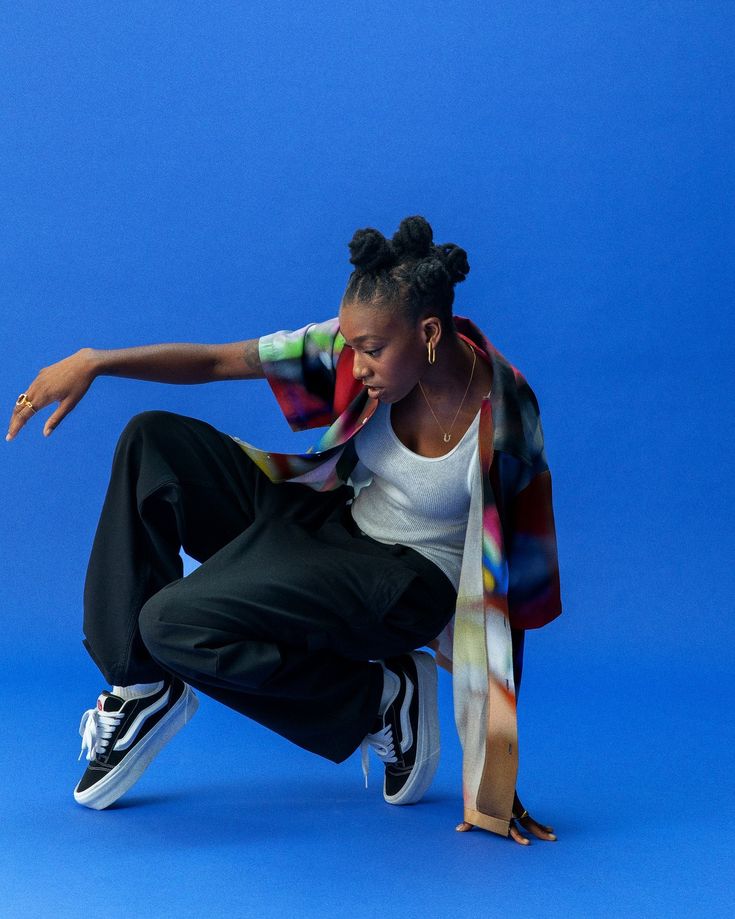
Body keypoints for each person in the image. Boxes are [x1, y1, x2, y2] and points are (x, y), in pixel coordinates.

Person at [7, 215, 561, 845]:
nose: (356, 363)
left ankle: (380, 699)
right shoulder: (361, 346)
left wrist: (497, 781)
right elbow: (219, 362)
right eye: (351, 345)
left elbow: (510, 600)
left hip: (408, 583)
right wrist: (97, 361)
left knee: (172, 623)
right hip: (331, 523)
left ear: (429, 332)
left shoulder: (506, 420)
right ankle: (141, 687)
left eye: (371, 351)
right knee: (150, 440)